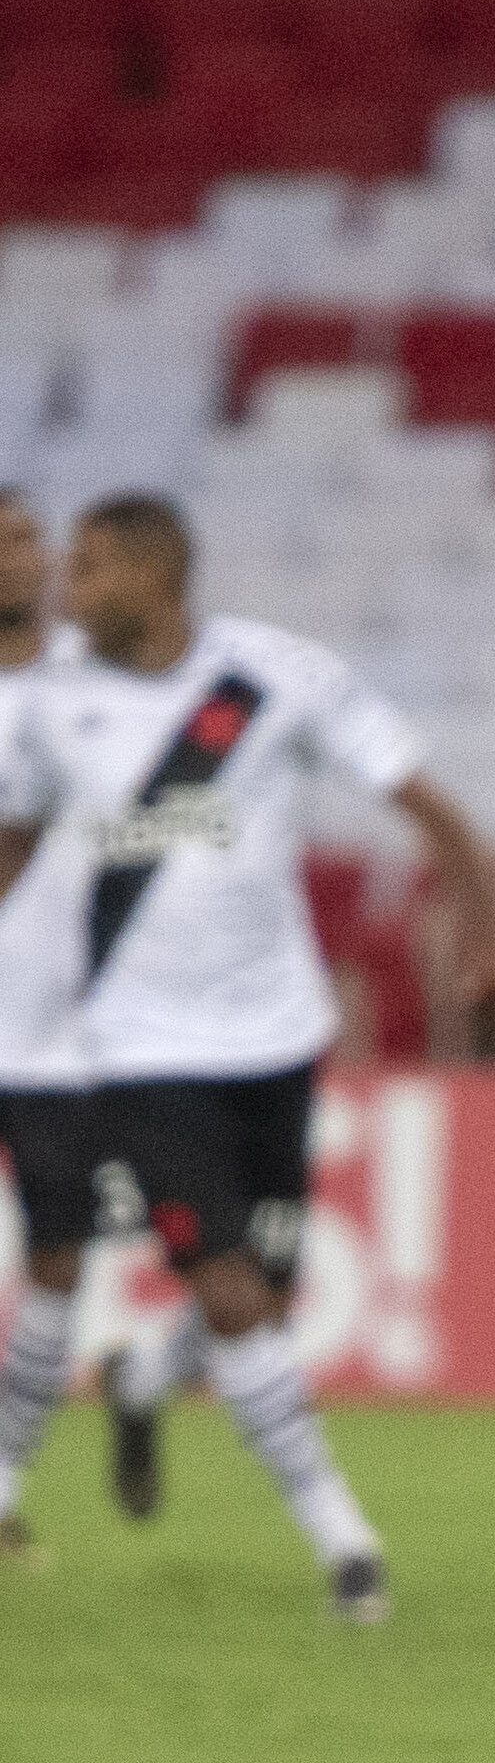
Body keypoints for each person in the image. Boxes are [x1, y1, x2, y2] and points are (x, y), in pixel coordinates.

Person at [0, 493, 495, 1617]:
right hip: (136, 1049)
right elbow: (12, 850)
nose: (70, 583)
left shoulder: (273, 676)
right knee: (229, 1288)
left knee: (265, 1292)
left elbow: (428, 802)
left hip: (275, 1037)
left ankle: (149, 1375)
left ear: (157, 578)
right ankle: (344, 1541)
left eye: (93, 566)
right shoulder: (48, 710)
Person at [0, 490, 95, 1565]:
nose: (30, 559)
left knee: (60, 1261)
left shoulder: (96, 680)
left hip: (64, 1035)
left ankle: (3, 1485)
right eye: (9, 541)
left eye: (37, 539)